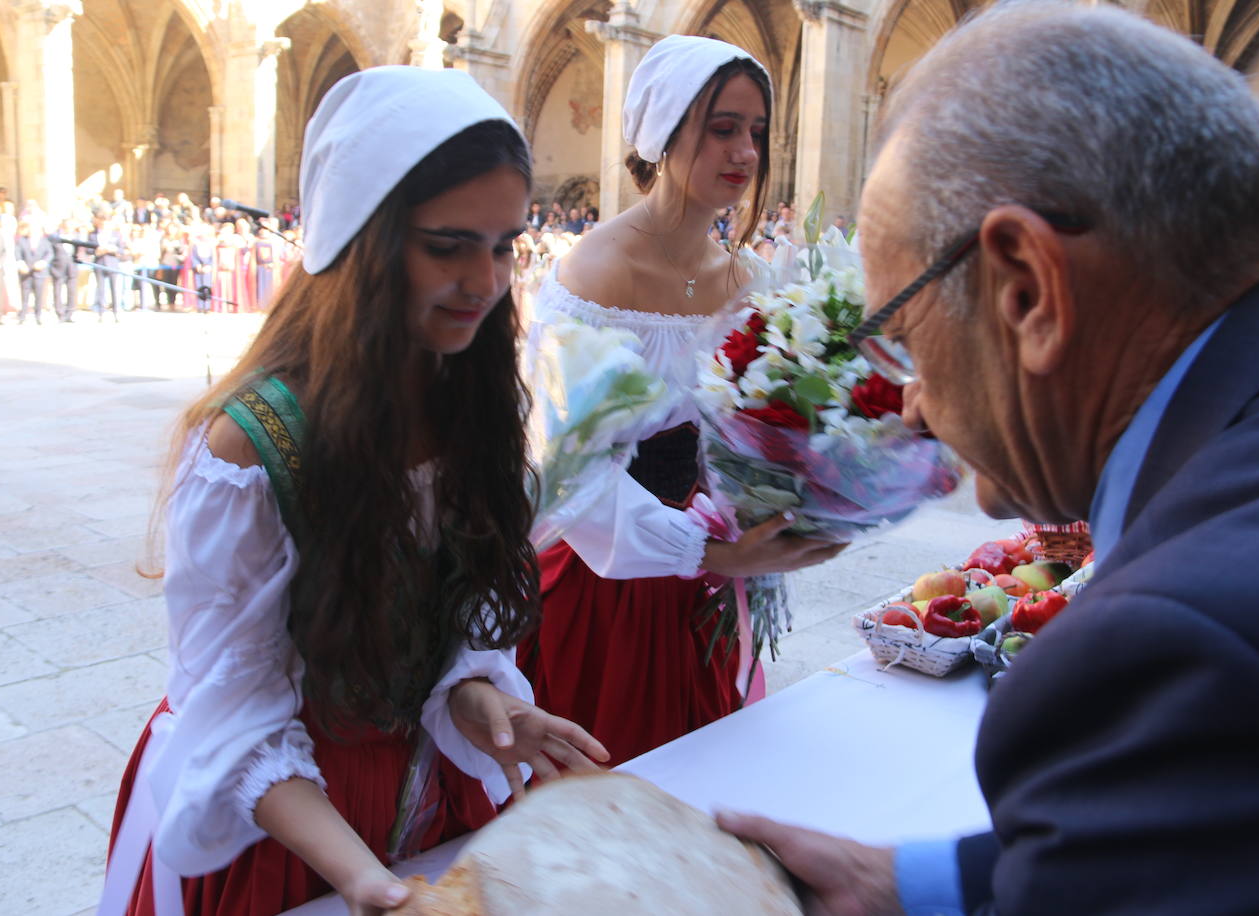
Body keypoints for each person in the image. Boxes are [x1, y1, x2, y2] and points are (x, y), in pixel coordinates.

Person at [719, 5, 1259, 913]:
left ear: (1028, 292)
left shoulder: (1165, 647)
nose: (908, 399)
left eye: (901, 334)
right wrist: (913, 885)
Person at [98, 66, 607, 916]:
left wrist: (484, 704)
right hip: (287, 835)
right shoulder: (253, 448)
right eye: (448, 245)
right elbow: (234, 721)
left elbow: (436, 646)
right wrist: (368, 882)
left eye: (505, 244)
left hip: (420, 808)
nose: (486, 282)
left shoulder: (468, 406)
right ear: (363, 243)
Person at [518, 35, 846, 768]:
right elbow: (566, 474)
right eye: (722, 128)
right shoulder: (596, 275)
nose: (746, 152)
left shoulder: (752, 278)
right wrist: (707, 549)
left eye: (755, 131)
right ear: (664, 135)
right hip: (608, 585)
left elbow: (769, 427)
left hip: (710, 584)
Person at [15, 220, 53, 324]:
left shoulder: (45, 241)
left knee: (39, 295)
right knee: (25, 294)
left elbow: (49, 254)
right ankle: (22, 316)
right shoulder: (22, 240)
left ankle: (38, 316)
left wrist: (43, 262)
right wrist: (21, 263)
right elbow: (17, 254)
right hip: (25, 271)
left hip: (39, 272)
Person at [49, 222, 82, 322]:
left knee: (72, 291)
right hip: (58, 267)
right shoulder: (55, 237)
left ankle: (69, 313)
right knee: (57, 291)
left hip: (72, 267)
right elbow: (50, 251)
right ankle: (60, 313)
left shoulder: (76, 237)